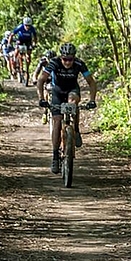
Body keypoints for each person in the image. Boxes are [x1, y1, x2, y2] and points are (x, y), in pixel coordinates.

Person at [36, 42, 98, 174]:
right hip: (57, 92)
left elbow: (91, 82)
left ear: (74, 58)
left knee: (72, 102)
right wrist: (41, 98)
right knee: (57, 121)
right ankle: (55, 156)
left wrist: (92, 100)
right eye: (65, 59)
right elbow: (41, 80)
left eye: (70, 59)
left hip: (72, 90)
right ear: (61, 57)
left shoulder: (79, 64)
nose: (67, 62)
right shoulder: (54, 62)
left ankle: (75, 129)